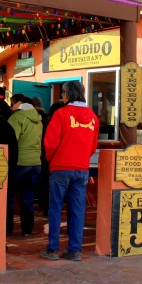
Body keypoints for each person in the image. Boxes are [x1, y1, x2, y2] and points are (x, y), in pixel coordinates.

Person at [40, 82, 98, 262]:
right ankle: (74, 250)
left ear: (66, 95)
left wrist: (52, 159)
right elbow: (92, 146)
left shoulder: (60, 114)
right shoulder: (93, 117)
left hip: (60, 167)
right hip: (81, 169)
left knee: (55, 209)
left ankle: (52, 250)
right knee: (77, 210)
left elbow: (49, 143)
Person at [7, 94, 43, 236]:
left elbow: (11, 140)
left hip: (20, 162)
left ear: (19, 103)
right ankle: (27, 230)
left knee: (9, 196)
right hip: (35, 162)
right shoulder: (38, 118)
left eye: (12, 103)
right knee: (28, 197)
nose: (11, 106)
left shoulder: (16, 118)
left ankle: (7, 229)